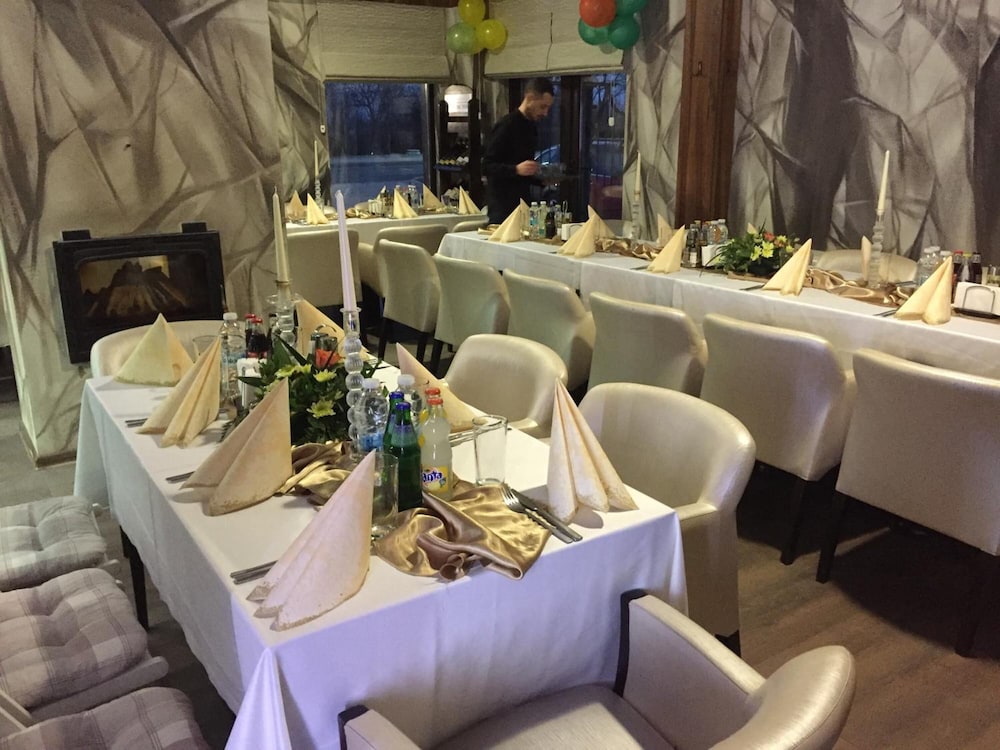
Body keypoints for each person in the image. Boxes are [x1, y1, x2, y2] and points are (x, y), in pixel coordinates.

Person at [482, 78, 555, 224]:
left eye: (548, 108)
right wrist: (515, 169)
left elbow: (522, 171)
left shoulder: (531, 128)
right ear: (530, 98)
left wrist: (541, 180)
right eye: (543, 106)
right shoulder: (506, 125)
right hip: (502, 207)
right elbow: (486, 166)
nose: (545, 113)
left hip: (523, 204)